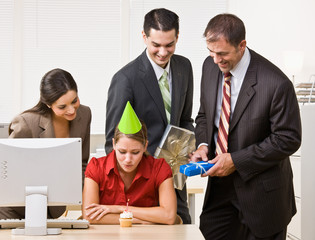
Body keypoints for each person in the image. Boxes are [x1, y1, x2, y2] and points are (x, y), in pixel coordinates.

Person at [190, 14, 301, 240]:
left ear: (242, 45)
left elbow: (288, 138)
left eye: (222, 54)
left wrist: (236, 161)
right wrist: (203, 145)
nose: (215, 60)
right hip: (220, 191)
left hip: (263, 197)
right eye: (211, 52)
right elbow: (204, 115)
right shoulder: (209, 67)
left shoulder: (276, 83)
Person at [105, 8, 193, 224]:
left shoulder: (184, 67)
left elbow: (184, 121)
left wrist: (191, 148)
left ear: (177, 38)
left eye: (169, 44)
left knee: (183, 231)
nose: (163, 52)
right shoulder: (125, 79)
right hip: (142, 188)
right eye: (156, 45)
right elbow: (113, 142)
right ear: (144, 37)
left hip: (176, 181)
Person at [0, 68, 91, 219]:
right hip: (15, 208)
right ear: (48, 104)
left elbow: (81, 163)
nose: (71, 110)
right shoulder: (26, 122)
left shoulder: (85, 114)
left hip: (53, 208)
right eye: (62, 107)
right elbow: (8, 172)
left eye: (74, 101)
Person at [83, 102, 177, 225]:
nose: (128, 159)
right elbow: (89, 216)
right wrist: (137, 220)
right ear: (114, 145)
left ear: (145, 146)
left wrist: (120, 209)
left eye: (135, 152)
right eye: (122, 152)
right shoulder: (96, 167)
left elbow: (169, 216)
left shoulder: (159, 168)